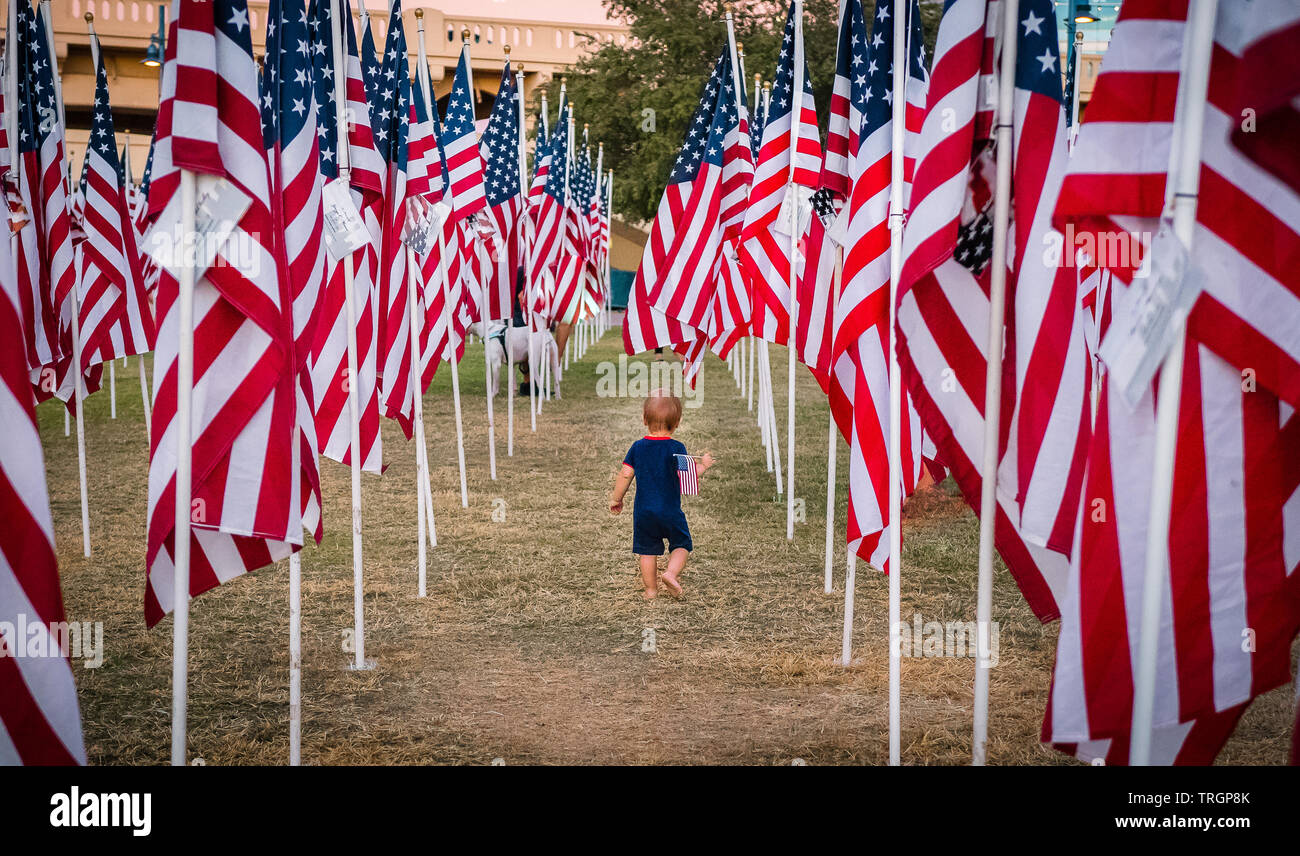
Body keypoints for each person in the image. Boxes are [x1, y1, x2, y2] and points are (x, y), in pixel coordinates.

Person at [609, 391, 714, 599]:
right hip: (670, 510)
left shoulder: (637, 447)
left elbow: (625, 474)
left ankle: (650, 590)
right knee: (682, 545)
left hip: (644, 513)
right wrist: (704, 465)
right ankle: (671, 574)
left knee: (647, 551)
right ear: (677, 423)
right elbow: (688, 475)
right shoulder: (677, 448)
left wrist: (616, 498)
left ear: (644, 419)